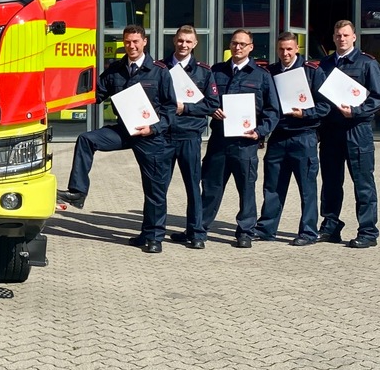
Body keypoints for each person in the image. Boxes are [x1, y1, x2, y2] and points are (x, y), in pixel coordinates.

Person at [56, 25, 175, 254]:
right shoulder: (115, 70)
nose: (131, 46)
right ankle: (78, 192)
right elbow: (96, 94)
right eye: (127, 42)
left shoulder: (160, 72)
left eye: (136, 42)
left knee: (154, 190)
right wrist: (68, 87)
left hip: (150, 136)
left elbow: (170, 109)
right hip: (123, 130)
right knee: (86, 139)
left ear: (144, 42)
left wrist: (153, 128)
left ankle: (153, 237)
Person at [193, 30, 280, 249]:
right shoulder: (216, 71)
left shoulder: (262, 75)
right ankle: (199, 229)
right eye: (234, 43)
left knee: (246, 190)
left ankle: (245, 231)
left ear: (251, 47)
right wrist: (211, 109)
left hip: (245, 143)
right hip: (219, 141)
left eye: (242, 44)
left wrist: (260, 131)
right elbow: (204, 98)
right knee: (211, 187)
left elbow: (273, 110)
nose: (237, 47)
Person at [255, 33, 331, 246]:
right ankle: (266, 229)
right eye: (281, 49)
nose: (285, 54)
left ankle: (308, 232)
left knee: (307, 188)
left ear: (297, 48)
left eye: (289, 49)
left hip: (304, 136)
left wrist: (305, 114)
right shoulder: (269, 72)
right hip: (278, 136)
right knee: (272, 186)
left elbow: (325, 106)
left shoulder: (313, 71)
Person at [317, 20, 380, 248]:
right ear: (334, 38)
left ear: (354, 37)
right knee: (330, 182)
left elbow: (378, 98)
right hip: (331, 132)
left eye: (346, 35)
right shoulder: (324, 65)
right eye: (338, 35)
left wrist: (355, 111)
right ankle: (330, 227)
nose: (342, 39)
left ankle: (368, 231)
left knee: (363, 183)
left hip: (358, 131)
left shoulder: (367, 64)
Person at [164, 26, 220, 249]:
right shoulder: (160, 68)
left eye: (188, 41)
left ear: (195, 44)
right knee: (159, 187)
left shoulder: (205, 72)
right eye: (180, 41)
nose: (183, 45)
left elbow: (211, 104)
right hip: (165, 136)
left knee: (192, 187)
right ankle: (154, 232)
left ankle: (196, 233)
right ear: (174, 42)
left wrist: (183, 108)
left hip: (190, 136)